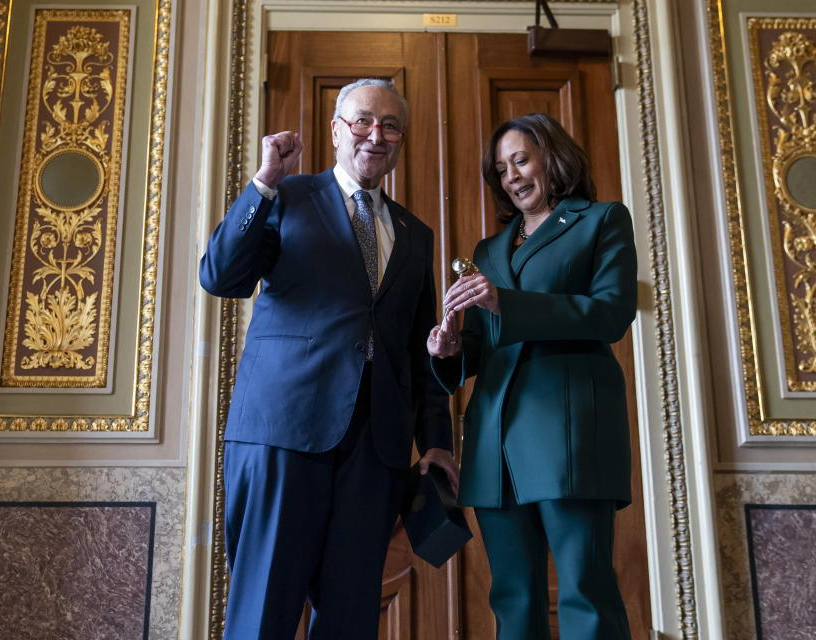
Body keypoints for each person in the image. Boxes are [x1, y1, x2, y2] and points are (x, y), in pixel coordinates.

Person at [199, 78, 458, 640]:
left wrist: (437, 440)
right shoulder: (286, 197)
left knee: (349, 619)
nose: (376, 135)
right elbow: (220, 276)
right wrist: (265, 179)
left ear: (401, 140)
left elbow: (420, 350)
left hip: (375, 449)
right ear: (337, 130)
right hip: (283, 434)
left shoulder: (416, 235)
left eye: (391, 126)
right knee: (262, 609)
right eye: (363, 120)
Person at [427, 113, 636, 640]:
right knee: (513, 599)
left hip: (569, 436)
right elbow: (480, 345)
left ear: (552, 158)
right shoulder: (486, 252)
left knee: (585, 593)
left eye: (521, 160)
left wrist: (507, 303)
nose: (512, 177)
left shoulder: (601, 220)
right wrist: (450, 350)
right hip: (494, 445)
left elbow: (611, 314)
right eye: (501, 169)